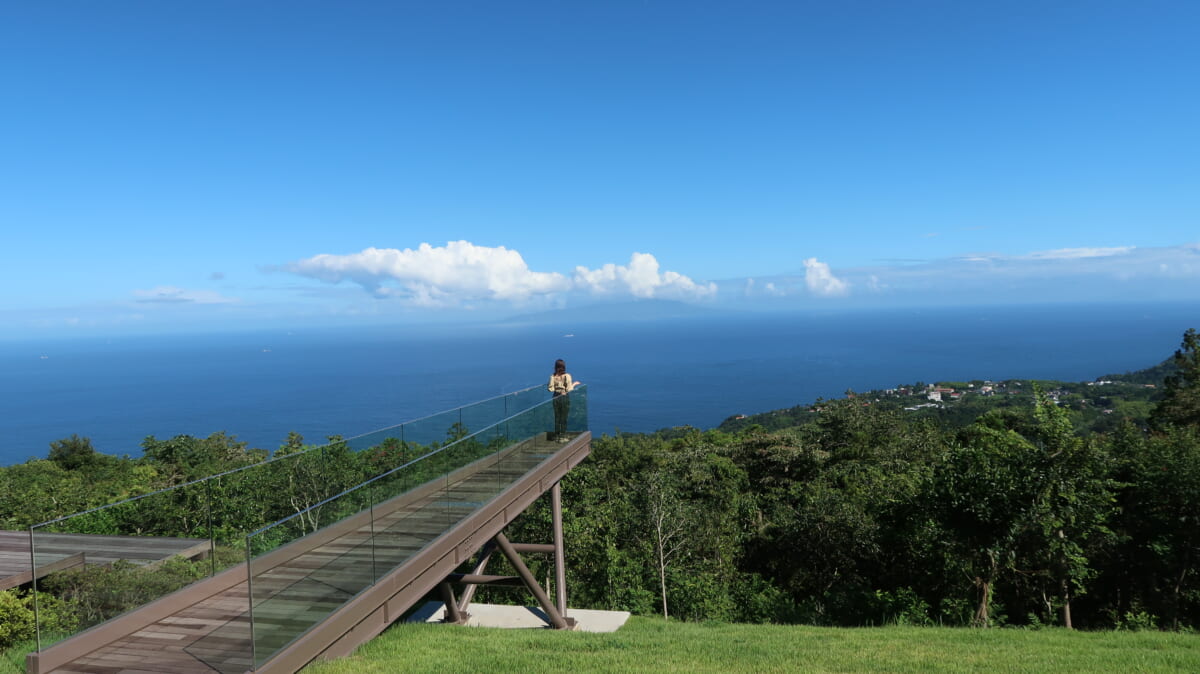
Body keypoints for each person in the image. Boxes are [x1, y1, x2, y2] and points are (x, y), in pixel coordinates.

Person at [547, 358, 581, 442]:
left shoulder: (552, 377)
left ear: (555, 367)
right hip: (564, 397)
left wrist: (557, 389)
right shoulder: (567, 376)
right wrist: (574, 384)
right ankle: (563, 436)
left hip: (555, 397)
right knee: (564, 417)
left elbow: (550, 389)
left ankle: (557, 435)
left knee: (557, 417)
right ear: (563, 367)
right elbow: (569, 389)